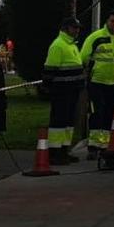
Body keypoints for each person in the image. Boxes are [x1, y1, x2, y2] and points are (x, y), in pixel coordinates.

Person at [81, 10, 114, 158]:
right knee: (97, 113)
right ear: (107, 22)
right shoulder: (96, 37)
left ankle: (107, 144)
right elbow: (84, 56)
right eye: (113, 21)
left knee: (111, 113)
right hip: (97, 81)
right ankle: (94, 146)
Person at [43, 17, 84, 165]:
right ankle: (55, 152)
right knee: (59, 121)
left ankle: (64, 150)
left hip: (72, 90)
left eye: (78, 28)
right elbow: (49, 69)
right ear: (66, 28)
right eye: (74, 28)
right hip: (61, 90)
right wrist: (50, 88)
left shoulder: (72, 45)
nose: (77, 31)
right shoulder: (59, 45)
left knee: (68, 121)